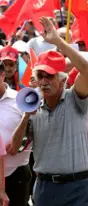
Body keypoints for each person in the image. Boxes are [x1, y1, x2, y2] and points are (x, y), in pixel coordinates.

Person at [7, 16, 88, 205]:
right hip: (45, 188)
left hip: (76, 187)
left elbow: (86, 70)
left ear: (62, 80)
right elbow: (14, 148)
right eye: (41, 76)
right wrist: (26, 116)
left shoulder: (75, 99)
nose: (44, 82)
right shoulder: (32, 107)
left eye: (50, 77)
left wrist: (57, 40)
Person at [0, 61, 30, 206]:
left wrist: (21, 144)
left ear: (2, 76)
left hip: (16, 175)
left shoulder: (19, 100)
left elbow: (34, 131)